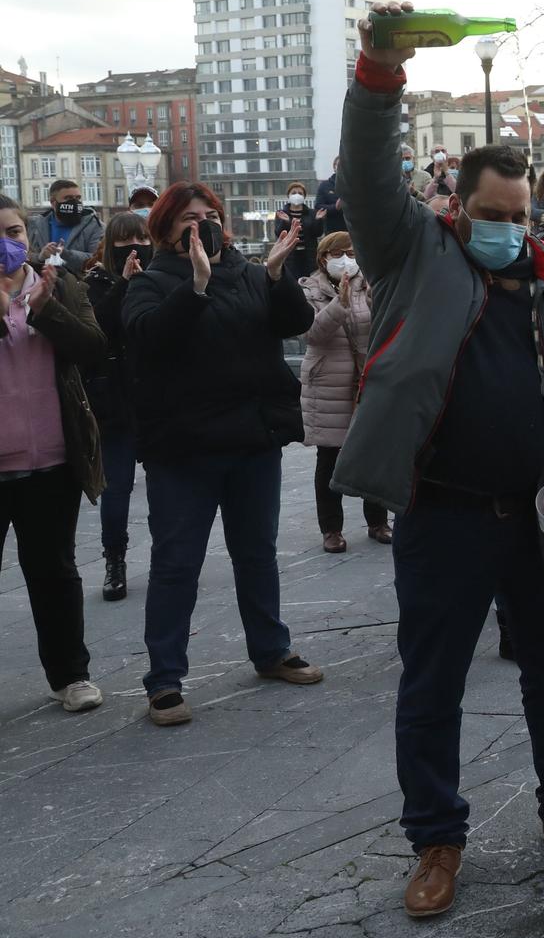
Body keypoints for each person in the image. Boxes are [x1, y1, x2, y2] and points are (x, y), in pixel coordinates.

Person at [339, 3, 544, 919]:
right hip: (442, 514)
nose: (508, 229)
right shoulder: (413, 258)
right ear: (456, 208)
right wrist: (379, 74)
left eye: (521, 215)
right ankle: (437, 838)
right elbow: (363, 174)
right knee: (432, 683)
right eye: (490, 214)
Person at [123, 182, 321, 728]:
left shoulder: (251, 273)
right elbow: (147, 339)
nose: (202, 226)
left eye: (209, 216)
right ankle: (165, 678)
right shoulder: (151, 280)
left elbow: (294, 324)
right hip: (184, 449)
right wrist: (197, 285)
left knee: (257, 552)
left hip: (252, 439)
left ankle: (271, 650)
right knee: (176, 564)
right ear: (164, 228)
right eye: (189, 218)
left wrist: (279, 277)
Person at [0, 195, 107, 713]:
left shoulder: (57, 283)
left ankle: (71, 676)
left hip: (51, 459)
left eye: (15, 231)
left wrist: (44, 309)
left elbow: (93, 346)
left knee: (54, 572)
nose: (10, 243)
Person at [299, 231, 391, 552]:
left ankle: (378, 521)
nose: (347, 260)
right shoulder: (311, 289)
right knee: (330, 458)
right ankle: (331, 529)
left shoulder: (368, 285)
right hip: (328, 383)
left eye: (352, 253)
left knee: (373, 453)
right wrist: (339, 303)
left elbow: (384, 324)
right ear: (324, 258)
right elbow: (312, 333)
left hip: (366, 382)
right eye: (340, 253)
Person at [83, 212, 148, 602]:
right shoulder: (96, 282)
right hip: (116, 401)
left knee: (166, 486)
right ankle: (114, 559)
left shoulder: (160, 275)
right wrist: (123, 282)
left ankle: (170, 554)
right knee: (118, 487)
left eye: (142, 236)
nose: (136, 245)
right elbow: (99, 330)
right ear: (111, 245)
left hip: (156, 399)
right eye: (126, 240)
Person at [28, 181, 103, 278]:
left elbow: (98, 260)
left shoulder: (95, 225)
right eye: (68, 198)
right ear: (53, 203)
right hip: (43, 284)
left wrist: (65, 254)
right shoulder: (34, 225)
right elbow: (26, 256)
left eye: (78, 198)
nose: (75, 202)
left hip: (79, 286)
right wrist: (40, 257)